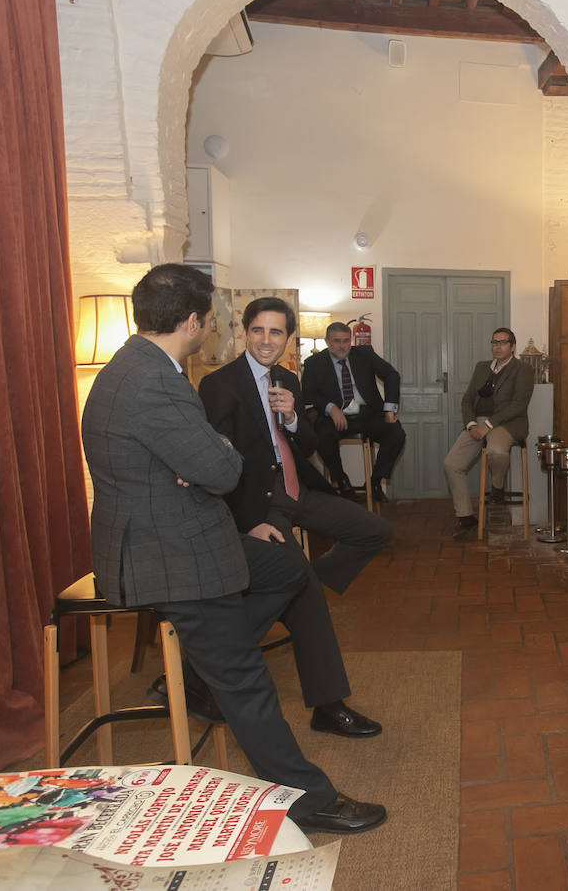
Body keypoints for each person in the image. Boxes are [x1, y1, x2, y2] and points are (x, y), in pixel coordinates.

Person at [81, 264, 384, 834]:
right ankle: (309, 799)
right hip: (170, 554)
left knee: (290, 569)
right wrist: (211, 456)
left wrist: (207, 458)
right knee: (247, 679)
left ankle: (201, 675)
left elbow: (207, 463)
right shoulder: (156, 382)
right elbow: (222, 469)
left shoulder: (136, 366)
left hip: (178, 533)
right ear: (196, 322)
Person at [197, 297, 391, 739]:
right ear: (246, 333)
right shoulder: (219, 385)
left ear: (289, 339)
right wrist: (247, 522)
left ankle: (300, 586)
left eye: (277, 333)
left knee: (373, 530)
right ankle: (328, 706)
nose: (267, 340)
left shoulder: (287, 378)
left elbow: (304, 444)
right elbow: (215, 463)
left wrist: (289, 417)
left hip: (296, 490)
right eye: (259, 331)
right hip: (258, 504)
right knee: (304, 594)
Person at [442, 327, 534, 534]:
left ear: (512, 346)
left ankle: (498, 487)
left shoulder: (523, 369)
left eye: (502, 342)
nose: (497, 347)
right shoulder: (482, 367)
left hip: (507, 423)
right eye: (494, 342)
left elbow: (518, 404)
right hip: (479, 423)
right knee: (451, 464)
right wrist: (471, 425)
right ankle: (465, 516)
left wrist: (488, 425)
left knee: (496, 452)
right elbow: (467, 400)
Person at [301, 321, 405, 502]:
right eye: (336, 341)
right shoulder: (313, 363)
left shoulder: (364, 354)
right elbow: (308, 394)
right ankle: (340, 479)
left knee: (396, 433)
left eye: (346, 341)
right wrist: (330, 407)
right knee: (321, 435)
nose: (342, 346)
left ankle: (374, 481)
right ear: (327, 342)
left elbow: (391, 375)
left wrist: (389, 408)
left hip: (368, 413)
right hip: (335, 415)